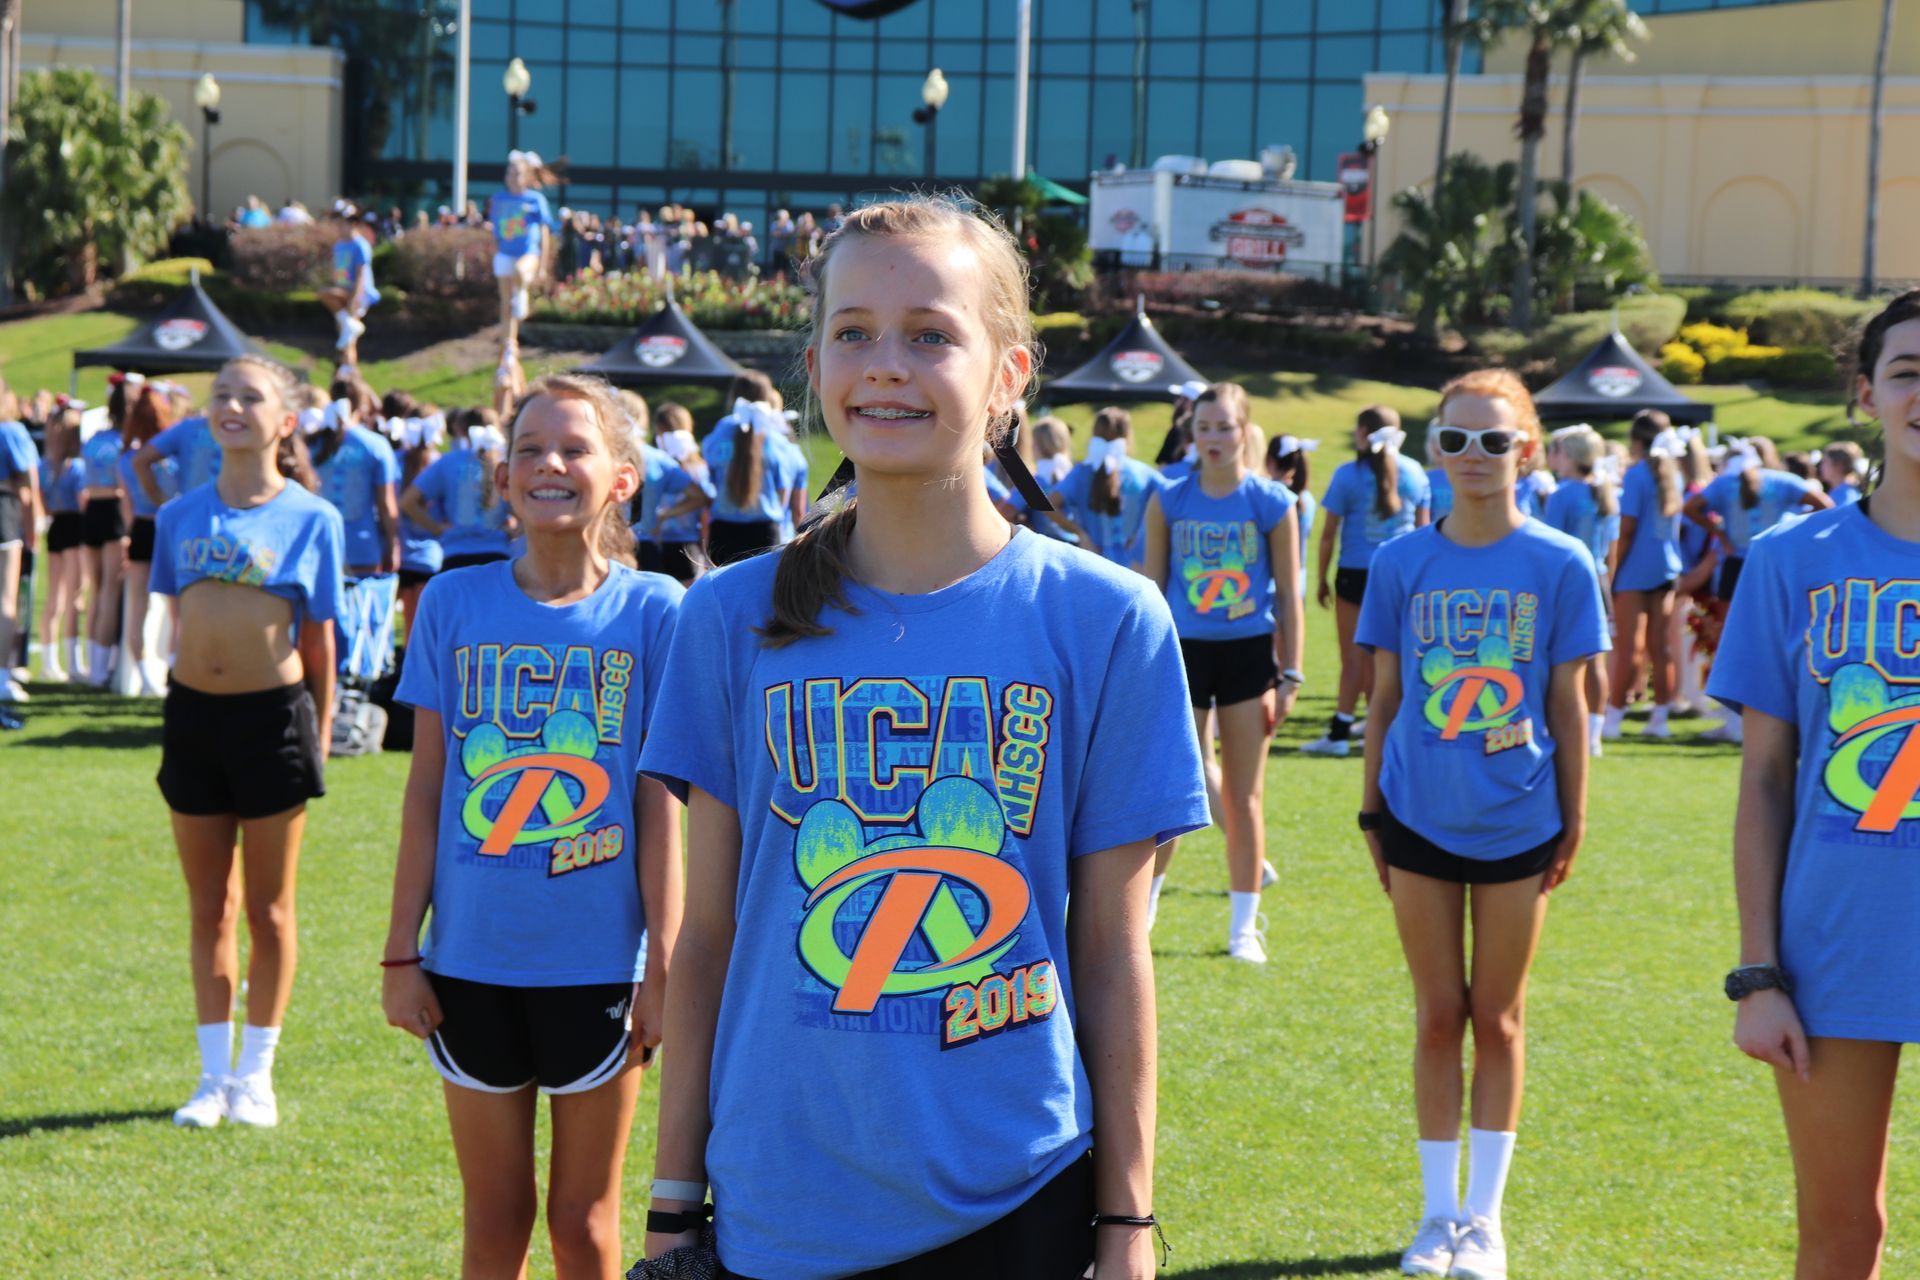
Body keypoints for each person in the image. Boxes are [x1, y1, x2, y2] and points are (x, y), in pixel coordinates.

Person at [637, 197, 1208, 1280]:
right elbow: (704, 936)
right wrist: (675, 1202)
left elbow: (1111, 946)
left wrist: (1127, 1222)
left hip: (1017, 1192)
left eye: (932, 333)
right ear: (814, 364)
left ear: (1009, 374)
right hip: (779, 1201)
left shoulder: (1108, 619)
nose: (886, 364)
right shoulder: (725, 616)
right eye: (854, 331)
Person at [382, 372, 684, 1280]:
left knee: (583, 1225)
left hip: (600, 969)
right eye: (529, 450)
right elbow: (428, 789)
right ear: (503, 478)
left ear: (622, 478)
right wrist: (402, 950)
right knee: (494, 1220)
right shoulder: (452, 602)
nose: (549, 464)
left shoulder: (655, 612)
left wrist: (662, 969)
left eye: (574, 448)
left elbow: (660, 805)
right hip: (468, 964)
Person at [1356, 369, 1607, 1280]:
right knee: (1436, 1015)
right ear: (1431, 449)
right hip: (1416, 817)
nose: (1473, 457)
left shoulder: (1560, 563)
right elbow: (1384, 698)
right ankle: (1434, 1217)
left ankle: (1483, 1221)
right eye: (1454, 440)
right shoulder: (1399, 561)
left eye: (1493, 441)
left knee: (1497, 1018)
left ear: (1527, 451)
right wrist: (1370, 811)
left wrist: (1575, 818)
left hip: (1520, 822)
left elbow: (1569, 704)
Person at [1710, 290, 1920, 1279]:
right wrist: (1759, 971)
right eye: (1908, 370)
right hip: (1838, 939)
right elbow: (1762, 781)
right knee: (1843, 1235)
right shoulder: (1795, 558)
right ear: (1865, 393)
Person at [151, 355, 344, 1129]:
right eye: (221, 394)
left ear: (286, 421)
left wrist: (321, 735)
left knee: (269, 910)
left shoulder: (312, 518)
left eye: (250, 396)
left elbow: (321, 641)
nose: (231, 405)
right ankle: (211, 1077)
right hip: (193, 718)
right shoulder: (177, 516)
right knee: (210, 907)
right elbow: (179, 622)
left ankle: (256, 1074)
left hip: (274, 722)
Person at [1142, 381, 1303, 961]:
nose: (1213, 438)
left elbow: (1289, 595)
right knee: (1171, 792)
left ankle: (1243, 928)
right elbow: (1151, 592)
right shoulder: (1168, 499)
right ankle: (1147, 907)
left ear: (1245, 431)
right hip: (1182, 654)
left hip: (1248, 655)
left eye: (1224, 427)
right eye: (1204, 427)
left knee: (1243, 797)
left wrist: (1292, 675)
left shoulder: (1273, 502)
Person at [1305, 406, 1430, 758]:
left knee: (1353, 659)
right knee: (1391, 658)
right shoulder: (1416, 472)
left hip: (1355, 574)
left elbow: (1329, 534)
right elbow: (1424, 532)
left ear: (1362, 433)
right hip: (1401, 575)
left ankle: (1339, 733)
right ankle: (1385, 727)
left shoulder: (1347, 474)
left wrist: (1321, 578)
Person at [1605, 410, 1686, 741]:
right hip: (1666, 567)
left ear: (1637, 440)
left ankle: (1612, 716)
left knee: (1629, 647)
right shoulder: (1672, 474)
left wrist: (1614, 573)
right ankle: (1660, 716)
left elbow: (1626, 530)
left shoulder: (1638, 475)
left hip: (1636, 569)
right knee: (1659, 647)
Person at [1543, 425, 1620, 758]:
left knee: (1562, 661)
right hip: (1599, 581)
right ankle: (1593, 733)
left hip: (1567, 585)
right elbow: (1611, 552)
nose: (1553, 457)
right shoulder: (1604, 491)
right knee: (1595, 663)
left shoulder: (1563, 494)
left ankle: (1563, 726)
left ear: (1570, 456)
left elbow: (1548, 547)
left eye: (1558, 450)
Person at [1683, 438, 1831, 606]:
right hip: (1774, 561)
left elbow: (1689, 508)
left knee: (1731, 625)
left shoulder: (1724, 483)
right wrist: (1792, 529)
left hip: (1736, 563)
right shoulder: (1783, 480)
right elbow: (1826, 505)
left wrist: (1720, 533)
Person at [699, 372, 800, 568]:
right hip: (766, 532)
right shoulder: (776, 436)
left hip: (723, 530)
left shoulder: (722, 430)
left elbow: (709, 473)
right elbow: (784, 486)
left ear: (734, 397)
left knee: (721, 595)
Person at [1048, 406, 1165, 572]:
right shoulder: (1143, 473)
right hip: (1136, 567)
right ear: (1128, 436)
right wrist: (1143, 534)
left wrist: (1081, 534)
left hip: (1092, 563)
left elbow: (1048, 505)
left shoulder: (1081, 472)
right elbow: (1170, 500)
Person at [404, 404, 516, 574]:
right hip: (497, 555)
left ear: (462, 431)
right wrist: (514, 530)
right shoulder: (506, 465)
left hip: (456, 556)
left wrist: (437, 528)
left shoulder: (448, 462)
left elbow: (407, 502)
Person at [117, 384, 178, 697]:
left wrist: (128, 537)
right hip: (167, 530)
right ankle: (169, 669)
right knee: (175, 605)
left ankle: (142, 673)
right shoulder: (169, 457)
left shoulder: (127, 458)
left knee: (137, 606)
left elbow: (126, 505)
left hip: (140, 528)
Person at [79, 383, 132, 688]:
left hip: (92, 512)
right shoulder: (123, 443)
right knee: (110, 591)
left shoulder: (94, 439)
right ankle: (101, 669)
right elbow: (124, 488)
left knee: (97, 591)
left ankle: (94, 664)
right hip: (113, 512)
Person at [489, 150, 558, 358]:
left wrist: (543, 266)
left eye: (517, 173)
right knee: (505, 304)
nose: (513, 177)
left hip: (528, 253)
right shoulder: (498, 199)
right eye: (509, 173)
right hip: (504, 253)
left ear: (526, 177)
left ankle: (523, 294)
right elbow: (495, 231)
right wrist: (495, 252)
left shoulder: (535, 200)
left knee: (519, 273)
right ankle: (509, 344)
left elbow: (545, 233)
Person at [37, 406, 86, 684]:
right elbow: (83, 501)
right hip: (75, 528)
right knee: (75, 597)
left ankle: (48, 661)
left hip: (56, 527)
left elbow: (43, 503)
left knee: (54, 595)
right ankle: (74, 663)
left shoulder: (45, 466)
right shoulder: (76, 467)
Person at [640, 402, 713, 585]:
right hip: (687, 544)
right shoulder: (700, 468)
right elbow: (707, 510)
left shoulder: (656, 465)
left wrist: (663, 515)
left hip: (661, 543)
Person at [0, 381, 40, 711]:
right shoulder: (10, 431)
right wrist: (33, 527)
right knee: (6, 598)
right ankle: (2, 674)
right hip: (4, 512)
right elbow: (27, 486)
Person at [322, 203, 380, 369]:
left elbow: (362, 274)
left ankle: (349, 374)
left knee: (349, 338)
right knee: (345, 332)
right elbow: (338, 270)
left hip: (356, 293)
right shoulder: (339, 245)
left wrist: (355, 298)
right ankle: (345, 371)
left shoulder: (360, 245)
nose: (340, 227)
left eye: (344, 223)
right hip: (343, 290)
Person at [1266, 433, 1317, 597]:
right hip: (1297, 580)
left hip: (1269, 581)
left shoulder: (1267, 496)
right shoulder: (1307, 499)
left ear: (1269, 461)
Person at [1821, 440, 1867, 507]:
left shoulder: (1845, 496)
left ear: (1839, 466)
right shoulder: (1841, 491)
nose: (1821, 466)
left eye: (1825, 462)